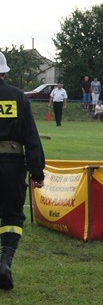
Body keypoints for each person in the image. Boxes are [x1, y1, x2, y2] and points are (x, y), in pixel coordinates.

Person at [0, 52, 46, 291]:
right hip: (12, 163)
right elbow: (31, 137)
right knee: (12, 216)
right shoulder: (18, 97)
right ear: (4, 72)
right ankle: (5, 262)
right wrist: (37, 172)